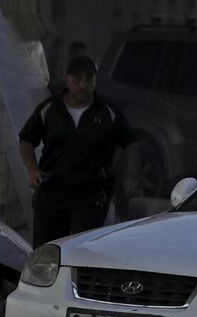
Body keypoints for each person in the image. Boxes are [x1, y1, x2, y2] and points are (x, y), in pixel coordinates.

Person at [18, 56, 140, 247]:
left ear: (95, 81)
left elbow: (130, 142)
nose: (83, 85)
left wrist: (131, 176)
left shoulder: (107, 110)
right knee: (48, 251)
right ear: (67, 80)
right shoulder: (51, 109)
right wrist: (32, 170)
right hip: (53, 191)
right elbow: (26, 139)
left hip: (91, 194)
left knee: (82, 248)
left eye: (88, 79)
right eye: (77, 79)